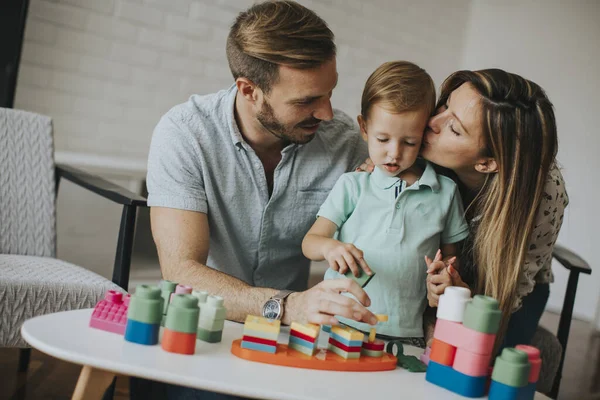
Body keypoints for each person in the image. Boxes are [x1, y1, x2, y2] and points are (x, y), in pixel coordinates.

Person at [302, 61, 470, 346]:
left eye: (409, 142)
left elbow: (452, 259)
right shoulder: (353, 185)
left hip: (406, 332)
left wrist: (446, 274)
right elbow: (310, 242)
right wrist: (331, 247)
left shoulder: (445, 192)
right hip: (339, 319)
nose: (394, 153)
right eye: (383, 139)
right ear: (364, 128)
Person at [418, 69, 568, 349]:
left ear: (487, 163)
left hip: (506, 287)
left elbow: (508, 289)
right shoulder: (422, 145)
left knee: (486, 363)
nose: (432, 122)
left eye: (454, 128)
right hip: (433, 273)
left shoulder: (544, 193)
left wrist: (464, 298)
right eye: (446, 105)